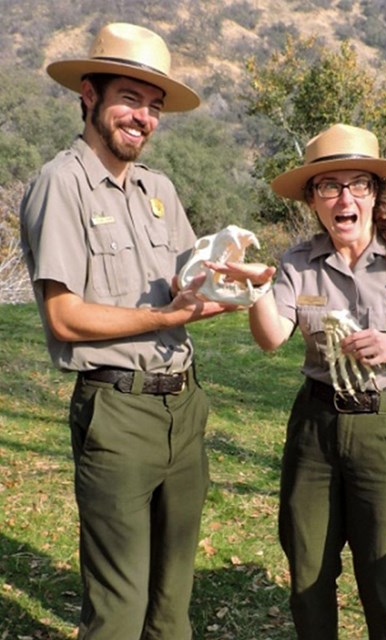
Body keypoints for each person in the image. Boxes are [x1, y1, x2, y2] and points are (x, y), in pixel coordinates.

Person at [20, 22, 237, 640]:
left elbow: (186, 284)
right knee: (118, 607)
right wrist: (164, 319)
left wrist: (234, 281)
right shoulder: (60, 184)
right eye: (129, 99)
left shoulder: (158, 189)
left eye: (154, 106)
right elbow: (64, 315)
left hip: (184, 407)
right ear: (88, 94)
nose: (143, 118)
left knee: (172, 604)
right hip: (116, 412)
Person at [216, 123, 386, 639]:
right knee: (308, 570)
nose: (344, 198)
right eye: (329, 186)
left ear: (376, 195)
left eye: (358, 184)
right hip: (316, 430)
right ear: (313, 200)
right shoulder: (297, 264)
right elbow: (271, 338)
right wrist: (255, 290)